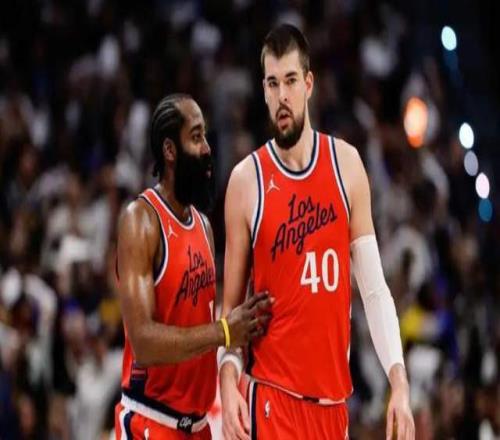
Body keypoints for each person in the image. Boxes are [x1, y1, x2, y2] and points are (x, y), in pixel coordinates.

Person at [219, 25, 415, 439]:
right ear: (264, 91)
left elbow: (374, 291)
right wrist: (227, 376)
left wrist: (398, 382)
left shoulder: (347, 166)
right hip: (272, 400)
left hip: (332, 408)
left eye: (291, 81)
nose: (282, 95)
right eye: (273, 83)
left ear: (308, 84)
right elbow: (231, 311)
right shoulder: (246, 181)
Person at [114, 94, 272, 439]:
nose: (207, 149)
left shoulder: (203, 225)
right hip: (150, 422)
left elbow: (202, 324)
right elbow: (143, 342)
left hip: (198, 427)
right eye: (196, 137)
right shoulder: (140, 220)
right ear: (170, 150)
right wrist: (225, 332)